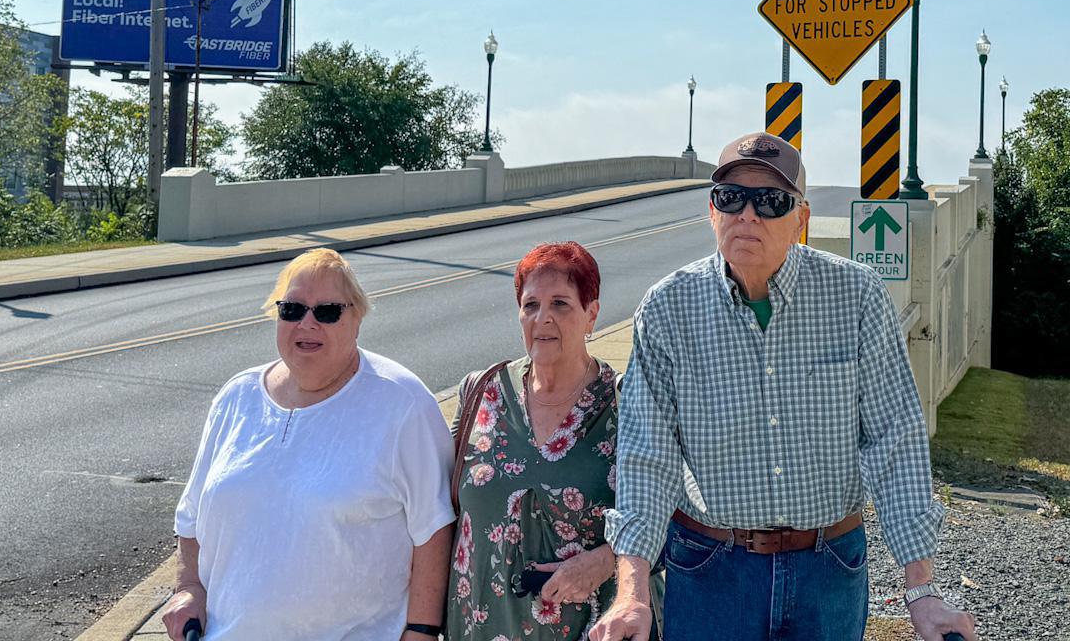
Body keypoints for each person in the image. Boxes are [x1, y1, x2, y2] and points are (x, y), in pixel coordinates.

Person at [593, 133, 979, 641]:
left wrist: (921, 589)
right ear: (713, 211)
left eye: (771, 201)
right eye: (731, 198)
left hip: (829, 570)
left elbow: (894, 439)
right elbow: (648, 458)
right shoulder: (668, 308)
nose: (747, 215)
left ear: (801, 219)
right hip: (710, 568)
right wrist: (632, 593)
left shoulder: (857, 297)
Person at [161, 248, 454, 641]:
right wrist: (189, 589)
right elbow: (192, 517)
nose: (307, 323)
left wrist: (420, 632)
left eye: (328, 312)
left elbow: (433, 531)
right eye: (293, 310)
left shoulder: (402, 404)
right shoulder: (237, 397)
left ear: (357, 319)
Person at [450, 241, 640, 640]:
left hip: (587, 629)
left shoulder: (627, 403)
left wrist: (606, 561)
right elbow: (435, 517)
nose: (543, 318)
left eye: (560, 304)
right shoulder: (481, 392)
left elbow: (672, 518)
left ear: (591, 315)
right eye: (531, 305)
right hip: (478, 625)